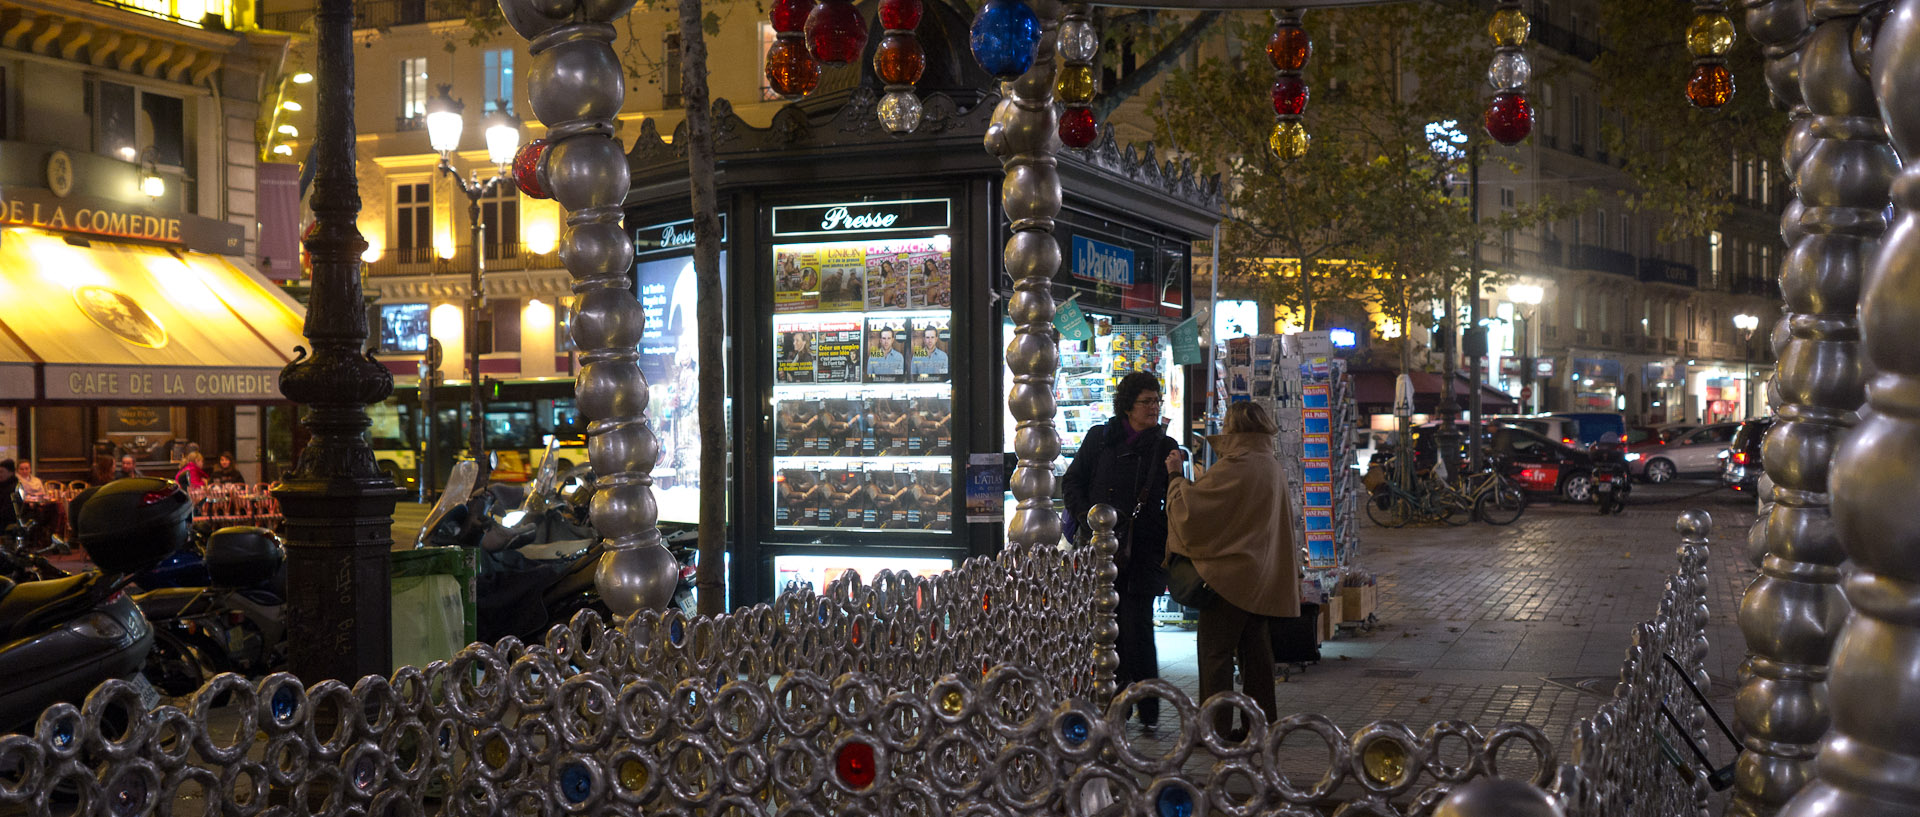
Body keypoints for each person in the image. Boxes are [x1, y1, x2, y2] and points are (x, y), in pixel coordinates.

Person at [1164, 401, 1300, 738]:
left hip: (1229, 580)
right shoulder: (1269, 464)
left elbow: (1193, 512)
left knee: (1215, 655)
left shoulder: (1237, 466)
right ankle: (1260, 727)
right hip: (1260, 577)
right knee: (1256, 658)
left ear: (1233, 427)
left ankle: (1215, 729)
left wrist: (1176, 478)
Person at [1063, 371, 1179, 729]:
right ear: (1128, 405)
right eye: (1147, 401)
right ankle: (1114, 706)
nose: (1153, 407)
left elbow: (1177, 499)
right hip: (1099, 551)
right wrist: (1087, 517)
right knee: (1102, 629)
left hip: (1142, 552)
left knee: (1137, 630)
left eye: (1157, 400)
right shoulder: (1100, 438)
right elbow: (1073, 481)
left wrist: (1176, 475)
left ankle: (1146, 708)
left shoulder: (1165, 445)